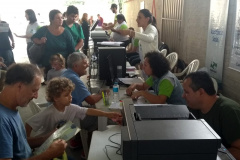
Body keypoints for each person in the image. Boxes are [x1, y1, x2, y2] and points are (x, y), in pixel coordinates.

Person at [0, 63, 67, 160]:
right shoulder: (2, 121)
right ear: (20, 86)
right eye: (34, 90)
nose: (36, 96)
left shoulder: (11, 107)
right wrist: (48, 155)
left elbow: (20, 143)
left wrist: (46, 139)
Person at [25, 77, 121, 137]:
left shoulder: (71, 107)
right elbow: (28, 124)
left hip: (58, 140)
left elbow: (89, 111)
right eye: (66, 95)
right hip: (45, 143)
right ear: (56, 98)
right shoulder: (49, 112)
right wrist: (28, 143)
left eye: (70, 94)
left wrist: (107, 114)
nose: (71, 97)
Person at [182, 71, 240, 160]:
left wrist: (208, 155)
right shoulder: (194, 107)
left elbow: (238, 150)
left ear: (201, 92)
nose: (183, 96)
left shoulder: (228, 111)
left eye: (186, 92)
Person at [32, 9, 75, 78]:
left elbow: (72, 50)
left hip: (62, 65)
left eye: (61, 18)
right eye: (58, 18)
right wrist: (40, 41)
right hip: (48, 64)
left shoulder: (66, 32)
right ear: (51, 19)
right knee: (51, 85)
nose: (61, 20)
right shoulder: (44, 30)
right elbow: (34, 38)